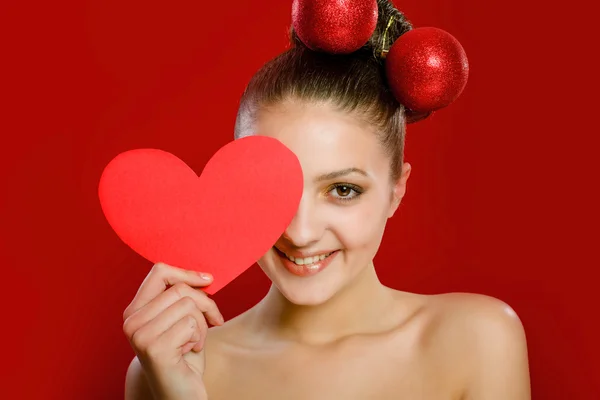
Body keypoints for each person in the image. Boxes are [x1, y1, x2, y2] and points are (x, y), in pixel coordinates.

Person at [122, 1, 531, 399]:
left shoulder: (477, 340)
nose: (300, 232)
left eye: (343, 190)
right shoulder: (166, 366)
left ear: (396, 190)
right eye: (270, 190)